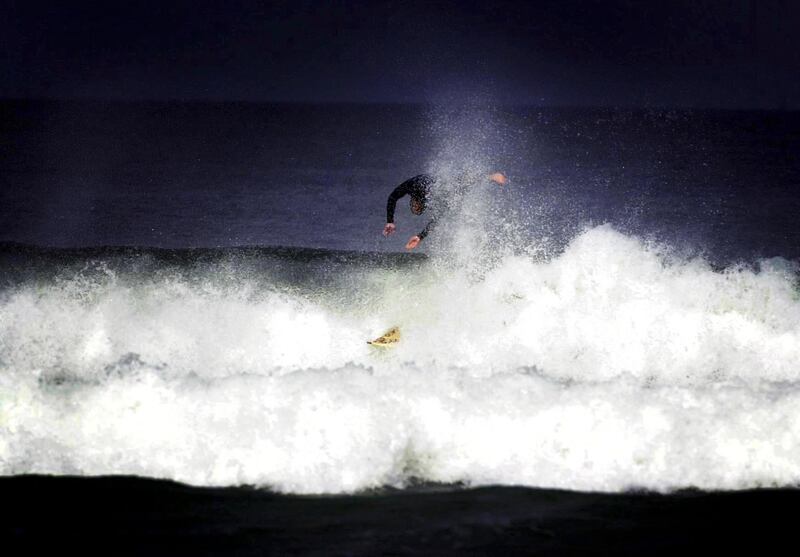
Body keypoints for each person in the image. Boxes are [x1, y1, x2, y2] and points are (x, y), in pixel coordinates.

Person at [382, 172, 507, 250]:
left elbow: (393, 197)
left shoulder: (410, 187)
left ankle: (491, 176)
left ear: (414, 201)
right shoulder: (434, 201)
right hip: (440, 188)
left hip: (435, 183)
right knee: (457, 190)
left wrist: (390, 221)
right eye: (417, 209)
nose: (415, 208)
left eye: (414, 207)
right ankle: (488, 177)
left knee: (460, 183)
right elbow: (436, 220)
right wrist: (420, 237)